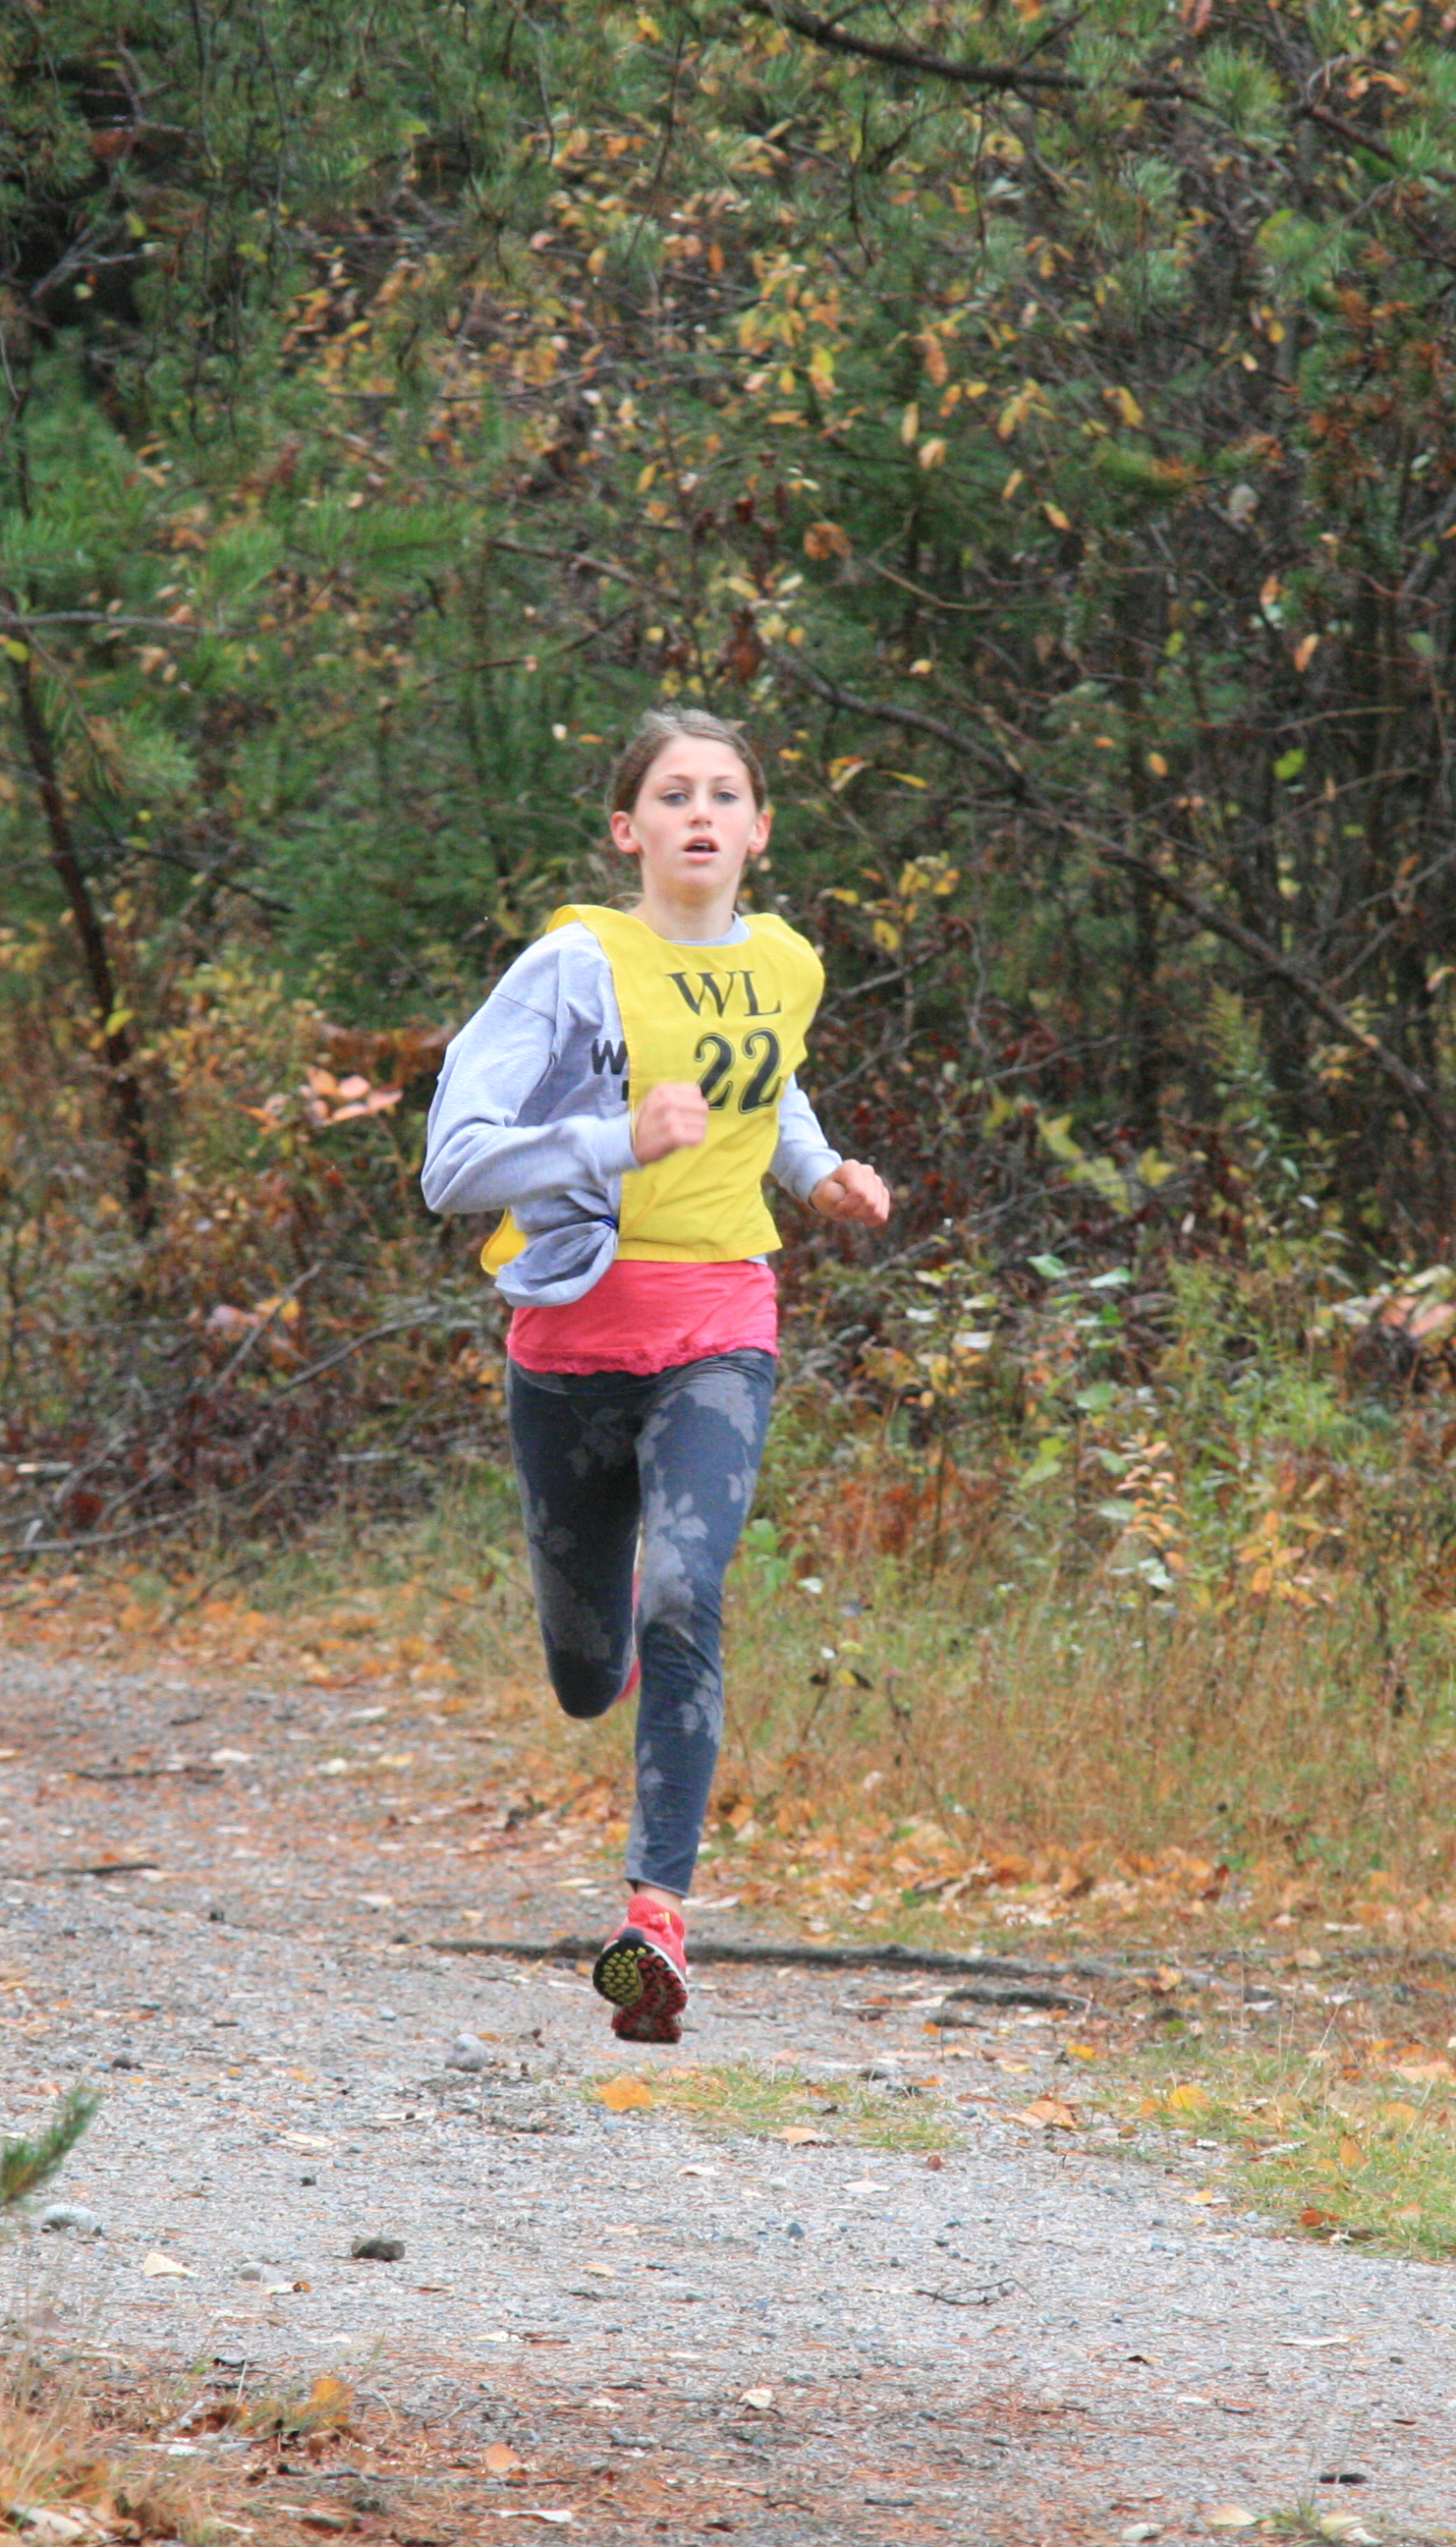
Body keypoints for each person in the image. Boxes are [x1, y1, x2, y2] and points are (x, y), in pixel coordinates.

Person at [419, 706, 893, 2042]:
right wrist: (612, 1139)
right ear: (628, 831)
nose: (700, 812)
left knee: (689, 1594)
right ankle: (601, 1634)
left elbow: (771, 1088)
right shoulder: (574, 966)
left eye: (724, 792)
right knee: (586, 1671)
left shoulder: (787, 962)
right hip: (570, 1348)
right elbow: (452, 1163)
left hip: (720, 1323)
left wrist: (819, 1174)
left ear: (757, 829)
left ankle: (654, 1929)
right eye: (671, 793)